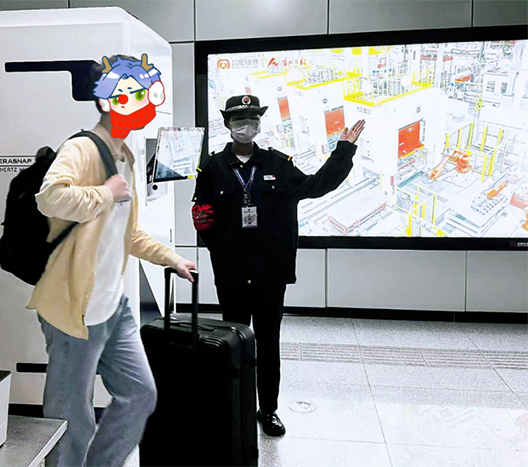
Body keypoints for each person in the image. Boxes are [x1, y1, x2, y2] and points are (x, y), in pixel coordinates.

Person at [27, 54, 196, 467]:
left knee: (140, 394)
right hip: (75, 309)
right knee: (71, 416)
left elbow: (128, 233)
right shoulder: (82, 148)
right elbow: (49, 197)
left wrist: (171, 258)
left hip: (113, 306)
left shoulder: (126, 158)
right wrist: (105, 193)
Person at [192, 94, 365, 436]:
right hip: (232, 274)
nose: (247, 126)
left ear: (259, 124)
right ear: (227, 124)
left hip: (271, 273)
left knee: (269, 344)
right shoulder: (212, 168)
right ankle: (235, 407)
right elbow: (203, 218)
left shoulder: (278, 164)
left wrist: (343, 151)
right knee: (233, 343)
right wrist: (222, 252)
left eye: (253, 119)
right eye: (240, 120)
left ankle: (268, 410)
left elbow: (317, 185)